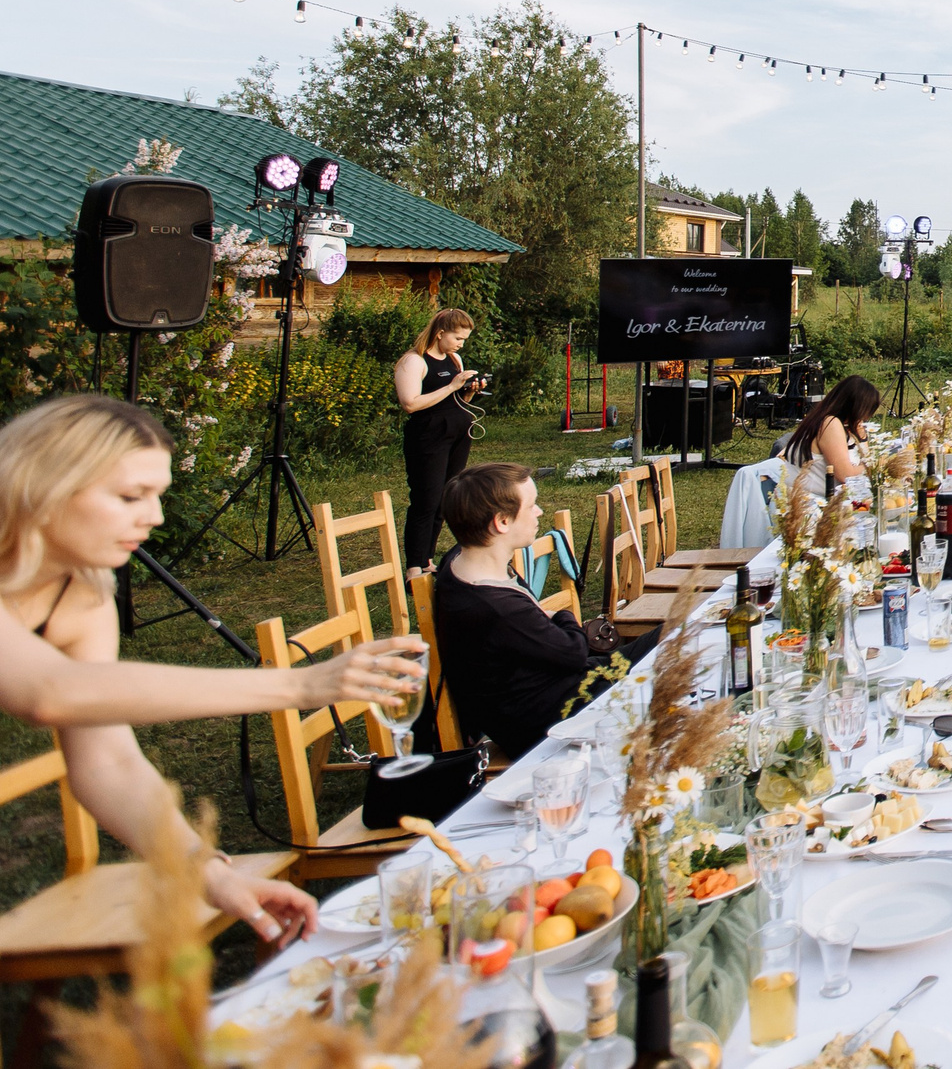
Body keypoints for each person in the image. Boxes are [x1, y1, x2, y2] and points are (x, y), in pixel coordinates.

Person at [0, 395, 426, 947]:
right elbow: (51, 693)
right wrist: (299, 684)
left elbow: (107, 760)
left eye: (157, 495)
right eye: (130, 496)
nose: (155, 517)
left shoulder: (81, 592)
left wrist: (207, 871)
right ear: (42, 487)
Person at [434, 463, 656, 762]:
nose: (539, 512)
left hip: (554, 687)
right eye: (531, 505)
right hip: (552, 717)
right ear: (501, 522)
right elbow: (575, 652)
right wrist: (562, 615)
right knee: (672, 652)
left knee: (673, 634)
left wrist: (548, 618)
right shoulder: (498, 608)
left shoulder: (460, 561)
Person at [394, 307, 482, 572]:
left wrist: (469, 391)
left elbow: (456, 400)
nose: (461, 344)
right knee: (426, 499)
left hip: (457, 431)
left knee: (446, 498)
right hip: (428, 435)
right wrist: (452, 385)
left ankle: (427, 560)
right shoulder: (414, 361)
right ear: (440, 333)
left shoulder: (454, 359)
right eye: (457, 338)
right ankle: (413, 566)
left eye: (464, 339)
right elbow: (410, 404)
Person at [780, 374, 881, 493]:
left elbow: (863, 461)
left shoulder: (823, 418)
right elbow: (846, 475)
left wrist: (862, 440)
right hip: (805, 498)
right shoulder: (830, 423)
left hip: (812, 495)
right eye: (863, 414)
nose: (864, 420)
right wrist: (877, 465)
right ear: (853, 408)